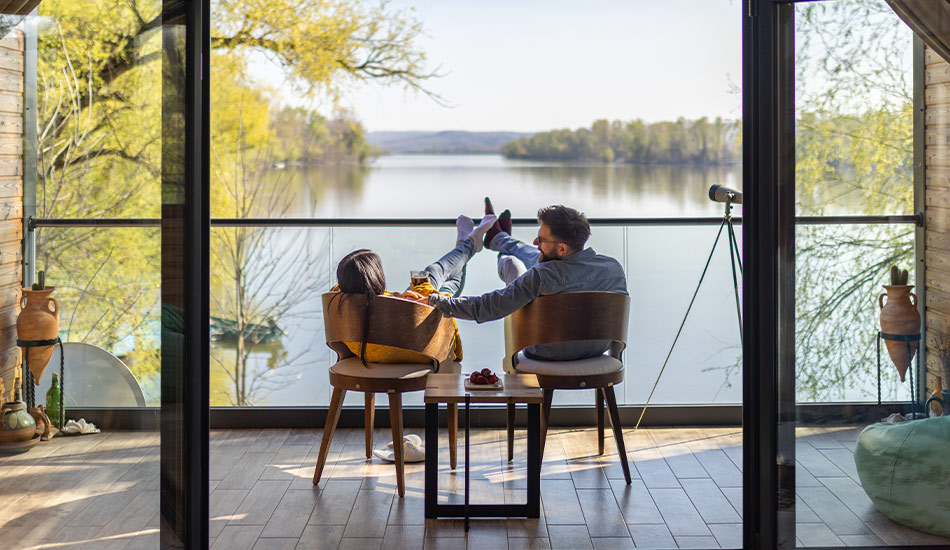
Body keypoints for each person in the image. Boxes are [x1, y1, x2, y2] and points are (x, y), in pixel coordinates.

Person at [425, 201, 628, 361]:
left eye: (541, 239)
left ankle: (499, 244)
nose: (535, 242)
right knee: (540, 257)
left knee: (511, 262)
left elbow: (488, 307)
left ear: (563, 248)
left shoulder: (540, 276)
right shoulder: (613, 268)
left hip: (547, 351)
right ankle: (500, 239)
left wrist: (435, 301)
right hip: (596, 351)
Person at [332, 213, 496, 365]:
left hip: (377, 353)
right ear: (377, 278)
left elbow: (342, 289)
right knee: (431, 273)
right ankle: (469, 242)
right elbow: (428, 309)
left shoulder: (341, 305)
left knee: (448, 286)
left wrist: (398, 297)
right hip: (421, 350)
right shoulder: (398, 306)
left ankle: (467, 241)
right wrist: (410, 297)